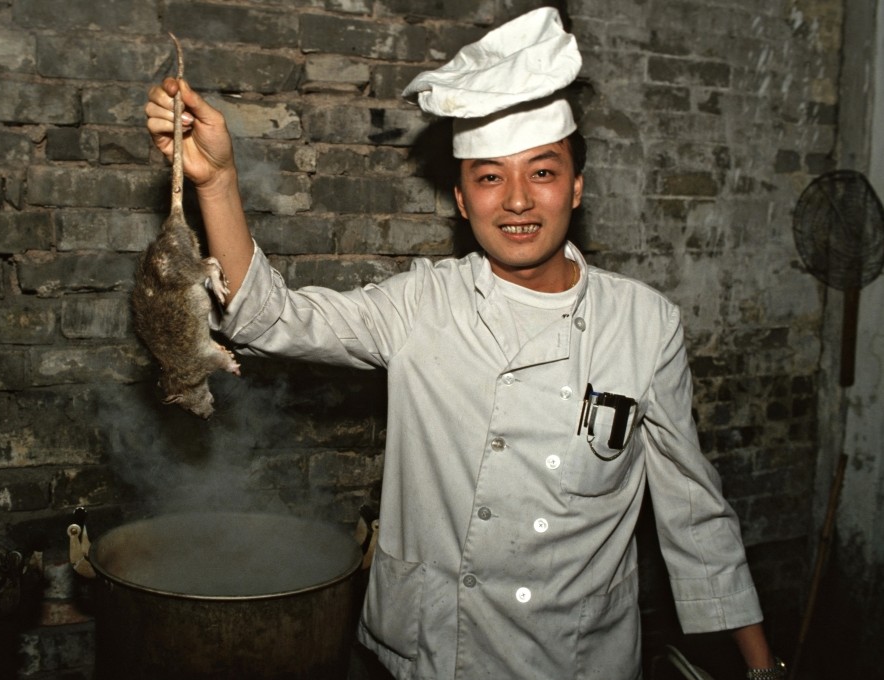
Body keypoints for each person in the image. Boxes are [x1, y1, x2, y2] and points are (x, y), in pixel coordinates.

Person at [144, 8, 786, 680]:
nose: (517, 201)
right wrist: (217, 182)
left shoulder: (644, 324)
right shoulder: (422, 305)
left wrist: (762, 666)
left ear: (577, 187)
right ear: (460, 198)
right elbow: (268, 318)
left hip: (575, 659)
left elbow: (694, 514)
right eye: (489, 177)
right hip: (436, 653)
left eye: (542, 173)